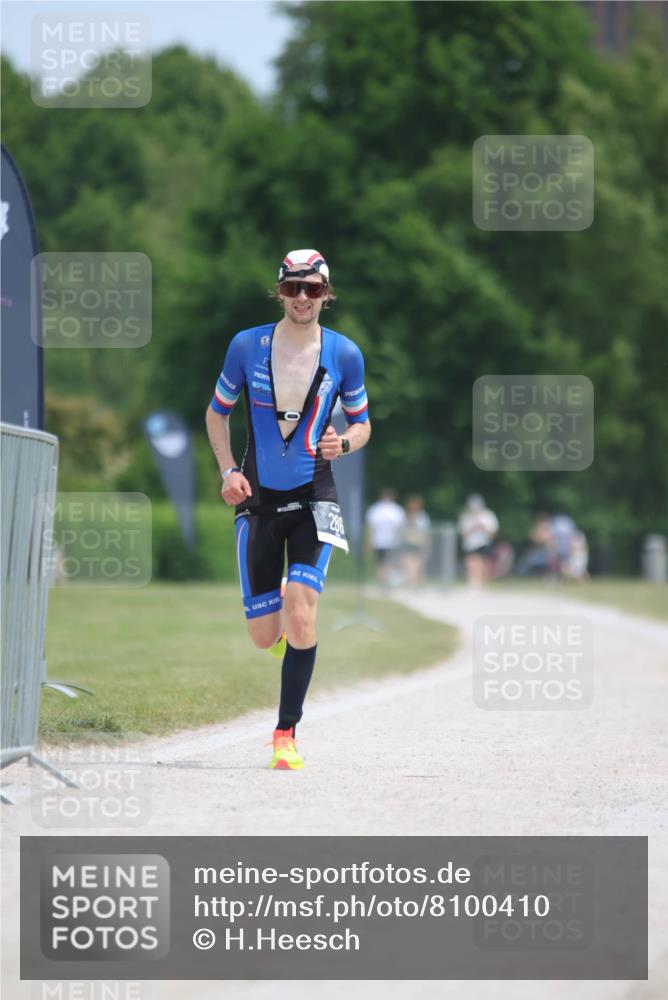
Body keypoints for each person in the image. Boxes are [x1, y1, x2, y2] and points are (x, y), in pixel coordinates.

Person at [205, 249, 371, 770]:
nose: (302, 298)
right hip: (256, 501)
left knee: (301, 617)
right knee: (264, 637)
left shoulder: (345, 354)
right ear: (279, 292)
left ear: (326, 295)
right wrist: (227, 471)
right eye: (292, 288)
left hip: (315, 498)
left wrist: (343, 443)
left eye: (312, 289)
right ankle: (280, 601)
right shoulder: (245, 346)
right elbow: (216, 414)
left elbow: (363, 424)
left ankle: (285, 734)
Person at [365, 488, 405, 588]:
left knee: (382, 564)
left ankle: (383, 584)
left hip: (379, 542)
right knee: (390, 564)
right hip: (392, 541)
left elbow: (371, 528)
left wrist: (368, 542)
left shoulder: (375, 509)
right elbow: (400, 528)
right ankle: (387, 584)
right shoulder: (397, 510)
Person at [457, 494, 499, 587]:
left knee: (484, 565)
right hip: (471, 544)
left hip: (484, 543)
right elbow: (463, 533)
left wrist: (483, 528)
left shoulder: (488, 515)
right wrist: (473, 528)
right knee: (472, 564)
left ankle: (483, 584)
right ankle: (473, 584)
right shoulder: (466, 517)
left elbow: (494, 532)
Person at [400, 495, 431, 585]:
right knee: (407, 565)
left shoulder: (423, 517)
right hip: (408, 543)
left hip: (418, 543)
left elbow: (425, 533)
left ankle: (415, 584)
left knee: (418, 565)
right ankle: (409, 583)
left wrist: (426, 546)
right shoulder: (406, 516)